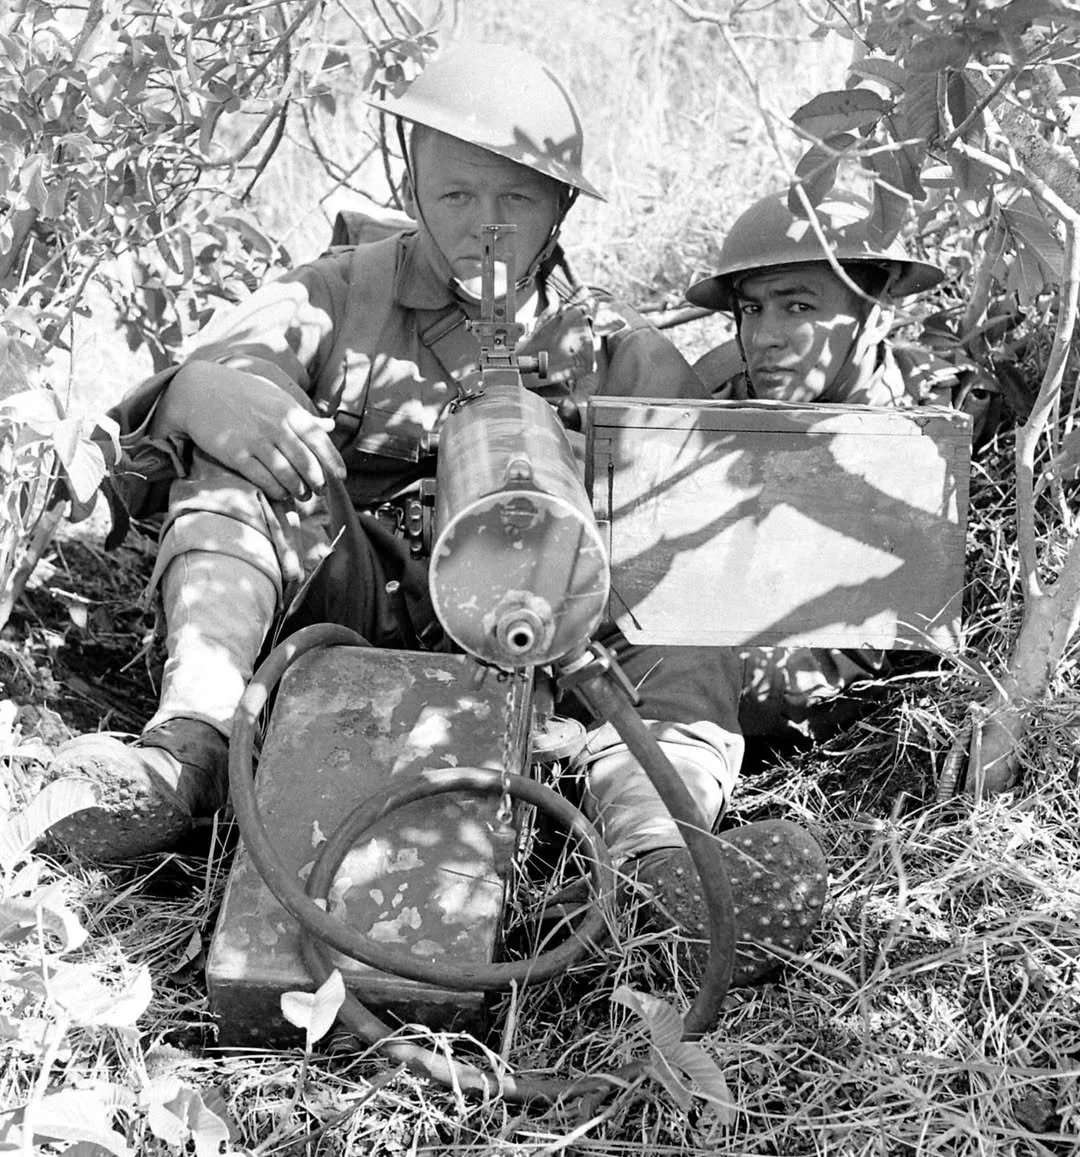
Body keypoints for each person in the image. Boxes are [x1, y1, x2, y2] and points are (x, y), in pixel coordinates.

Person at [45, 44, 827, 986]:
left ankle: (659, 856)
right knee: (243, 449)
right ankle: (191, 748)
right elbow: (182, 407)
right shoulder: (340, 293)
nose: (484, 225)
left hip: (546, 653)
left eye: (515, 200)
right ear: (411, 182)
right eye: (456, 194)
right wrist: (198, 391)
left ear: (560, 207)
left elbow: (726, 535)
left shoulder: (616, 353)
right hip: (352, 620)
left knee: (684, 586)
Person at [685, 189, 996, 744]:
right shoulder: (714, 396)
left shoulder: (936, 424)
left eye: (799, 307)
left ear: (874, 313)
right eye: (751, 309)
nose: (765, 337)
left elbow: (875, 657)